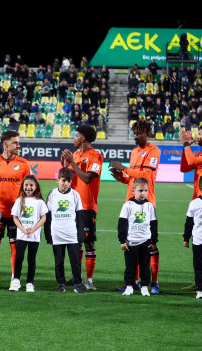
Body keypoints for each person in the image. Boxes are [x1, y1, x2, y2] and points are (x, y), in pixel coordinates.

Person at [109, 120, 162, 294]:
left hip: (147, 203)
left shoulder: (154, 151)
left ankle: (154, 283)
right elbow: (135, 181)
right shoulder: (134, 152)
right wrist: (122, 177)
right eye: (134, 133)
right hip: (131, 202)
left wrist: (124, 168)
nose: (136, 136)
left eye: (139, 133)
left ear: (148, 133)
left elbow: (146, 175)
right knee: (132, 243)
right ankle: (133, 282)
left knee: (150, 243)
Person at [0, 130, 32, 287]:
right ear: (5, 144)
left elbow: (29, 189)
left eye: (18, 142)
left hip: (16, 214)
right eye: (15, 142)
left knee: (15, 247)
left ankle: (14, 279)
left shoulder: (24, 164)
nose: (18, 145)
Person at [60, 125, 103, 290]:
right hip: (72, 207)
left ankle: (89, 281)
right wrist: (64, 164)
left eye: (76, 135)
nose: (74, 138)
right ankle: (76, 277)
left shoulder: (96, 156)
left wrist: (72, 162)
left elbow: (87, 178)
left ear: (83, 138)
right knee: (75, 243)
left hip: (87, 207)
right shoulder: (76, 155)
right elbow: (66, 178)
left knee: (88, 243)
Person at [45, 168, 86, 294]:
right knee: (59, 262)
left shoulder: (75, 195)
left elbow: (79, 216)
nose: (66, 184)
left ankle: (78, 284)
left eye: (68, 181)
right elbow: (48, 216)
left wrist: (80, 234)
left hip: (72, 234)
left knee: (75, 262)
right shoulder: (52, 194)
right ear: (57, 180)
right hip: (57, 234)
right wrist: (48, 234)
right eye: (63, 181)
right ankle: (61, 284)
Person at [118, 177, 158, 296]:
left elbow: (153, 224)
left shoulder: (149, 206)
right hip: (131, 242)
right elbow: (122, 224)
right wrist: (122, 241)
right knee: (130, 266)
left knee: (145, 266)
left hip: (146, 241)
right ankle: (129, 286)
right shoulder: (127, 205)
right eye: (140, 190)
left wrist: (154, 241)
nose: (143, 193)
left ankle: (144, 286)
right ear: (133, 191)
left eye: (145, 190)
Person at [11, 175, 48, 293]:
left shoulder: (40, 202)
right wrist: (23, 230)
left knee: (31, 259)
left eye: (31, 185)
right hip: (21, 235)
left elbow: (43, 218)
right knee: (19, 257)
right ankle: (16, 280)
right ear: (23, 186)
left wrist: (33, 230)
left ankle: (29, 282)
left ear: (36, 186)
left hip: (34, 236)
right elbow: (15, 217)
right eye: (26, 185)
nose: (28, 187)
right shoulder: (19, 201)